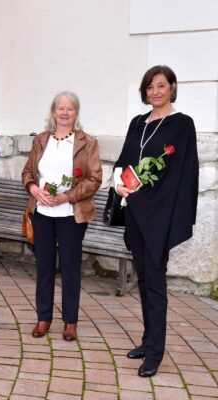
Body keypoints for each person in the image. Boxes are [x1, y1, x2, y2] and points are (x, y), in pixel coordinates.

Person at [114, 65, 198, 378]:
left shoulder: (182, 125)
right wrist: (120, 183)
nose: (155, 92)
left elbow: (179, 174)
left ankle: (155, 353)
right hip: (134, 210)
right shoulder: (138, 123)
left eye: (161, 86)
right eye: (150, 86)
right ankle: (147, 340)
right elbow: (125, 161)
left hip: (159, 215)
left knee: (156, 283)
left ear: (172, 88)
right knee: (144, 280)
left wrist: (150, 195)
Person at [21, 91, 102, 341]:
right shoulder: (41, 140)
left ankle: (70, 322)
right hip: (42, 213)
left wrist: (68, 196)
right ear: (53, 112)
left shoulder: (87, 142)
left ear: (76, 113)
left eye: (70, 108)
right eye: (60, 108)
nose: (65, 112)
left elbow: (95, 178)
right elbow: (27, 172)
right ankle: (43, 318)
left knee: (70, 268)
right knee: (44, 266)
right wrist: (34, 189)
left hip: (70, 214)